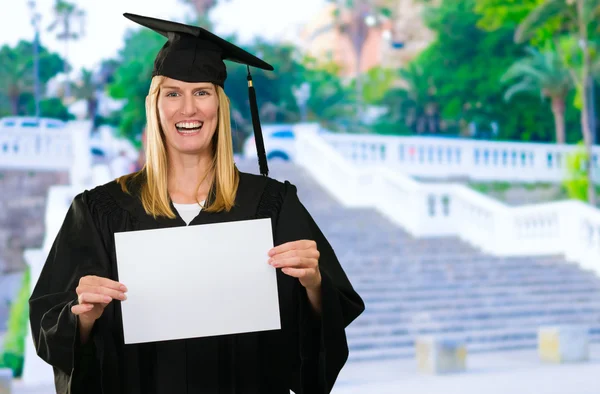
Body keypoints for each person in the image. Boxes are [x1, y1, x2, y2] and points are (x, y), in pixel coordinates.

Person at [28, 12, 364, 394]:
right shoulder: (99, 211)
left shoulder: (271, 204)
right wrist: (83, 317)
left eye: (201, 92)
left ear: (219, 105)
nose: (188, 109)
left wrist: (314, 284)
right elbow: (49, 326)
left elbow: (325, 328)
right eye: (172, 93)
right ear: (155, 106)